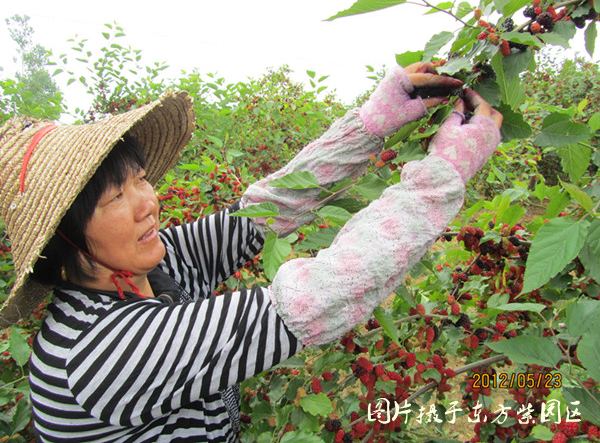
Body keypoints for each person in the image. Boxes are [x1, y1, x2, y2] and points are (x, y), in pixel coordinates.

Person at [0, 62, 502, 442]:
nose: (147, 203)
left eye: (141, 179)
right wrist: (442, 177)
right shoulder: (97, 352)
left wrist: (374, 121)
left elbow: (259, 215)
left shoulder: (147, 267)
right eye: (115, 196)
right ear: (63, 238)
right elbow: (315, 299)